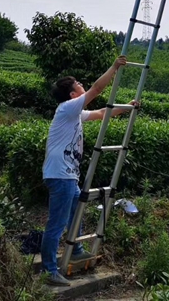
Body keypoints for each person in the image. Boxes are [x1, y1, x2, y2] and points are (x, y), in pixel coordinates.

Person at [41, 55, 137, 286]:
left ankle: (76, 249)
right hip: (60, 175)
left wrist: (127, 108)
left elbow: (102, 113)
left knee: (76, 212)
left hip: (67, 176)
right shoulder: (67, 107)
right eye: (78, 86)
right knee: (56, 223)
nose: (83, 87)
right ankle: (49, 270)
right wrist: (114, 67)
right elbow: (96, 89)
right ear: (74, 95)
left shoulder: (74, 112)